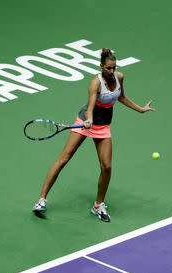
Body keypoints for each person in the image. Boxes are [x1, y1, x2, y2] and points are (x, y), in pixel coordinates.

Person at [32, 48, 155, 222]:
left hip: (103, 125)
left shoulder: (119, 77)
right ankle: (41, 200)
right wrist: (88, 119)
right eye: (108, 68)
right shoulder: (95, 83)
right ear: (101, 67)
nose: (112, 72)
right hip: (85, 122)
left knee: (107, 167)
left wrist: (140, 109)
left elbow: (121, 97)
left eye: (114, 67)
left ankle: (98, 205)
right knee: (64, 159)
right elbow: (90, 106)